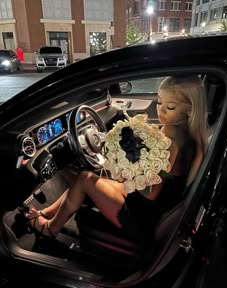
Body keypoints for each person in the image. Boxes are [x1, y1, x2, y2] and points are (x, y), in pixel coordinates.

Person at [25, 75, 208, 244]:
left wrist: (124, 165)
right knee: (91, 176)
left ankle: (50, 228)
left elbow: (150, 192)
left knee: (85, 179)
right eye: (159, 102)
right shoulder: (191, 137)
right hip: (155, 208)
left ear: (188, 110)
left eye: (170, 107)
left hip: (142, 217)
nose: (160, 110)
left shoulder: (169, 141)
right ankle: (47, 212)